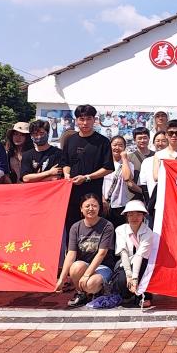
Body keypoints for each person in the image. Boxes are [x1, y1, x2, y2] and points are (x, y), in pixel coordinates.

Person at [62, 105, 114, 249]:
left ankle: (93, 259)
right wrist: (67, 174)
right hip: (71, 195)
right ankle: (71, 258)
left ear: (94, 120)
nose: (85, 123)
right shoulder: (70, 140)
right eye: (81, 119)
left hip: (92, 194)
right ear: (76, 120)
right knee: (72, 228)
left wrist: (87, 177)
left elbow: (108, 168)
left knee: (93, 230)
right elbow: (65, 163)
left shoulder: (103, 141)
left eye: (88, 119)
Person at [56, 193, 116, 308]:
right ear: (81, 209)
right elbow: (71, 254)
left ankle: (98, 290)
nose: (91, 209)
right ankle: (81, 294)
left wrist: (87, 275)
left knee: (91, 285)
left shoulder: (107, 226)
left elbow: (102, 253)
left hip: (103, 266)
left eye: (94, 206)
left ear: (99, 208)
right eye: (87, 206)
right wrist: (62, 279)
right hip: (84, 265)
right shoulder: (75, 227)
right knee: (75, 266)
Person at [112, 200, 153, 307]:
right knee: (122, 280)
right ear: (126, 216)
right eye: (131, 214)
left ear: (143, 216)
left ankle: (144, 296)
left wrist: (134, 278)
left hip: (143, 263)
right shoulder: (120, 230)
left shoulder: (148, 232)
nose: (135, 217)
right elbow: (123, 252)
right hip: (126, 264)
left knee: (145, 271)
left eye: (138, 214)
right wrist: (129, 275)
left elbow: (140, 255)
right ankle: (128, 295)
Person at [103, 136, 135, 227]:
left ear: (125, 148)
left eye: (120, 145)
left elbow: (127, 178)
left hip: (120, 204)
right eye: (114, 145)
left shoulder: (128, 164)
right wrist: (102, 199)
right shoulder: (103, 163)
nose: (117, 147)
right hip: (104, 203)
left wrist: (124, 159)